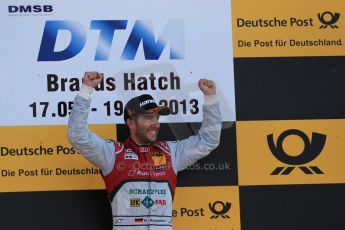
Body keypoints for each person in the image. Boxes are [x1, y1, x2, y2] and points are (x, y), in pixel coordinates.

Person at [68, 71, 221, 229]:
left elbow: (208, 140)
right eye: (149, 118)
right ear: (131, 123)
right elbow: (78, 136)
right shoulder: (112, 153)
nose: (156, 124)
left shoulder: (170, 152)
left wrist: (211, 99)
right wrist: (86, 90)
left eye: (157, 118)